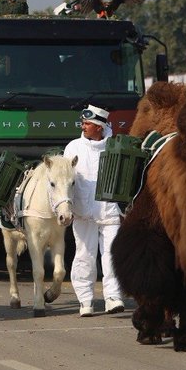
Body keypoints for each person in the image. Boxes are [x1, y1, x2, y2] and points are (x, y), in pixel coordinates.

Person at [66, 105, 124, 317]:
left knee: (112, 256)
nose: (83, 127)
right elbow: (65, 181)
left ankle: (113, 297)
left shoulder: (116, 145)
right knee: (84, 255)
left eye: (88, 123)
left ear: (99, 127)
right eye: (83, 123)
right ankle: (85, 300)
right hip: (82, 213)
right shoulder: (73, 147)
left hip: (110, 212)